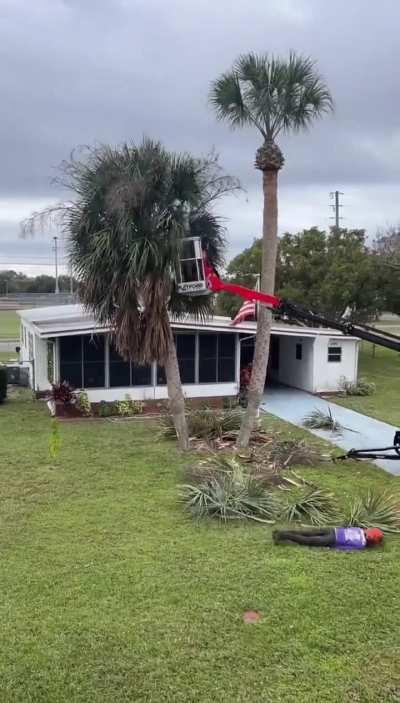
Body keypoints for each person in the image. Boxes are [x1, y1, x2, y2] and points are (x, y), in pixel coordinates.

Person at [273, 526, 384, 550]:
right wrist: (332, 548)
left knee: (306, 533)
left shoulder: (359, 529)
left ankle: (282, 532)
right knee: (307, 541)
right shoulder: (361, 544)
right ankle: (282, 535)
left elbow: (345, 528)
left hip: (332, 530)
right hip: (332, 540)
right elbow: (345, 547)